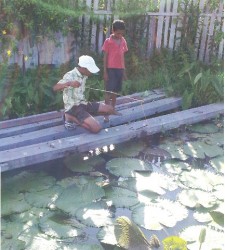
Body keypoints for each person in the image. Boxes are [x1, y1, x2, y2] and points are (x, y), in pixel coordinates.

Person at [53, 55, 121, 133]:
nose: (91, 72)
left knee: (109, 109)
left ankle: (85, 116)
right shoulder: (70, 75)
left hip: (83, 103)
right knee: (96, 129)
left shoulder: (84, 74)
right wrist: (69, 83)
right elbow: (55, 88)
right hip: (73, 107)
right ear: (83, 68)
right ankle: (70, 117)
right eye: (90, 70)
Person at [102, 19, 128, 122]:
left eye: (122, 33)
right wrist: (105, 71)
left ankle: (112, 109)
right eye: (118, 33)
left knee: (115, 92)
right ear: (113, 31)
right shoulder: (108, 41)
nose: (120, 35)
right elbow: (105, 57)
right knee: (108, 91)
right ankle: (106, 113)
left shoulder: (123, 41)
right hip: (110, 69)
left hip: (119, 70)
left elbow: (122, 57)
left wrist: (124, 71)